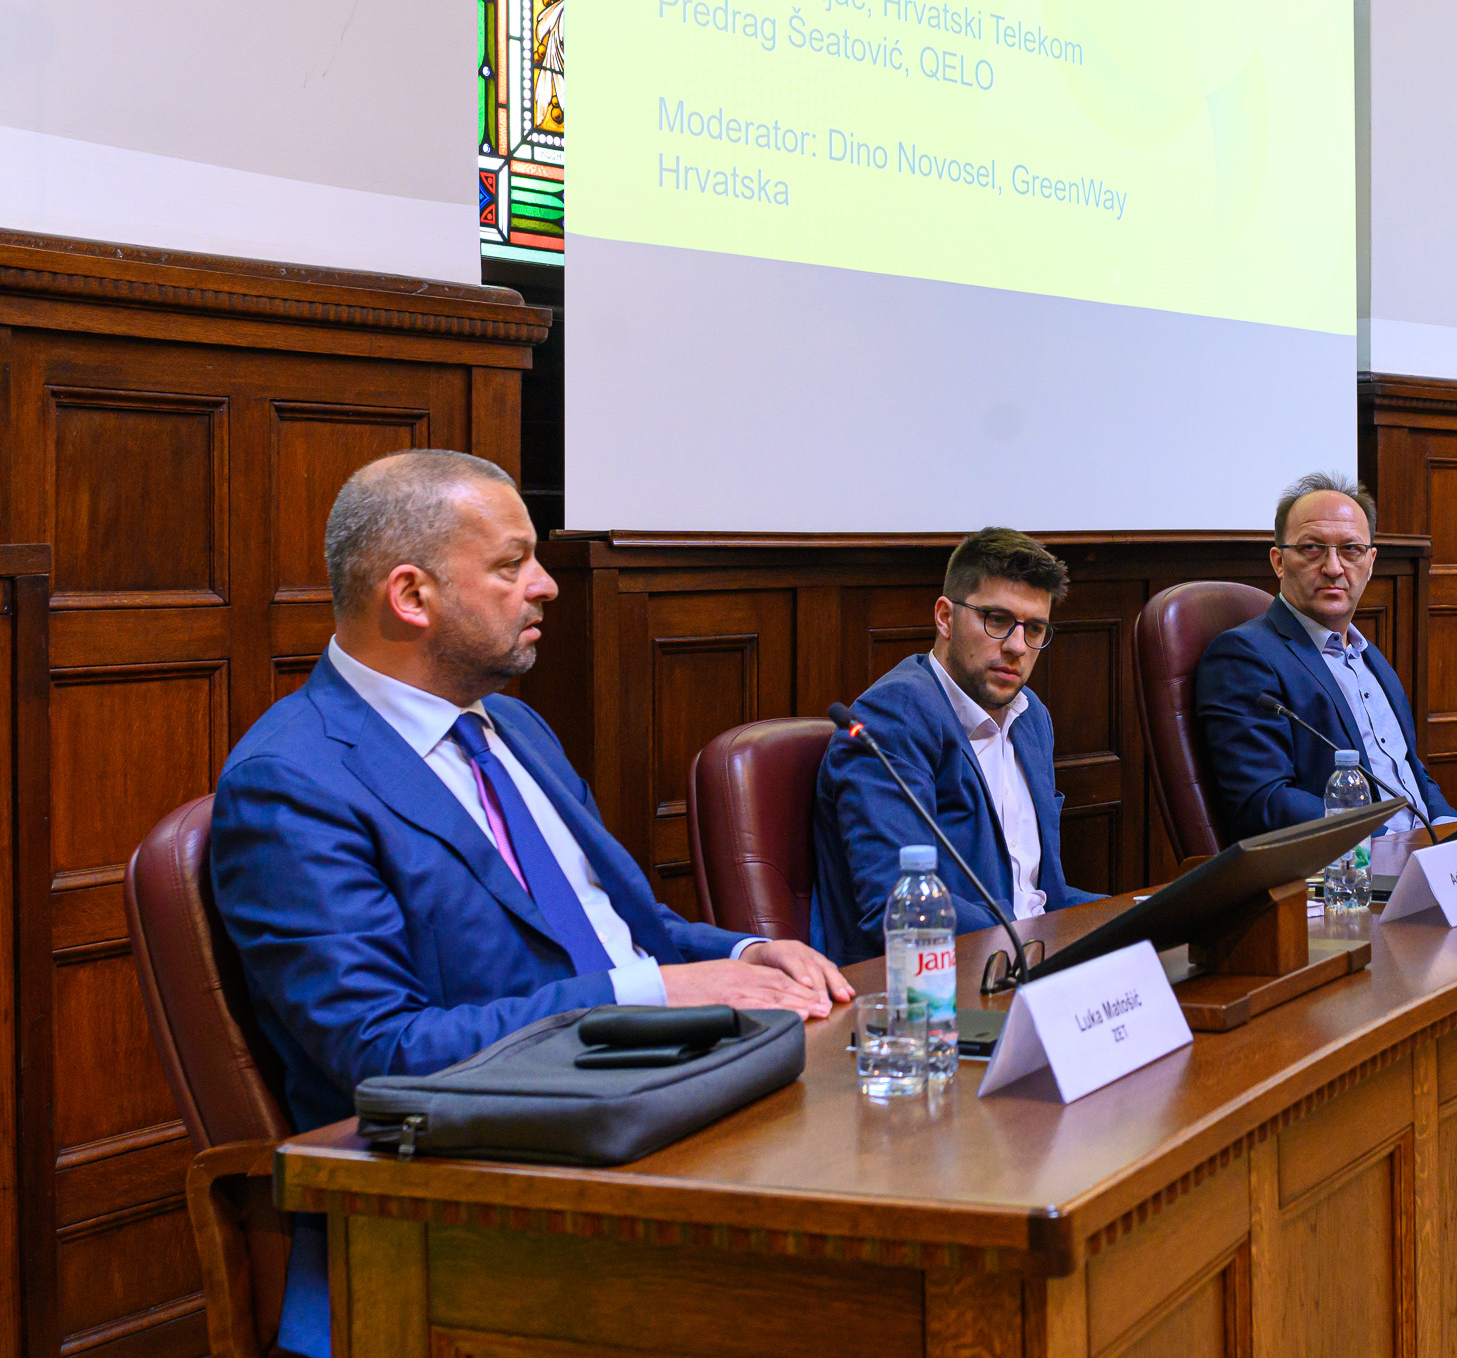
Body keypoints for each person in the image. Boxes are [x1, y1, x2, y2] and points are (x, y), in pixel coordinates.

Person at [212, 451, 849, 1358]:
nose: (547, 585)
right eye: (512, 565)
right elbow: (380, 1054)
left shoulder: (514, 727)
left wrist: (746, 955)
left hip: (643, 1114)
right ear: (410, 594)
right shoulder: (294, 783)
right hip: (475, 1203)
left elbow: (635, 933)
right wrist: (648, 997)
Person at [812, 528, 1102, 966]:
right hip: (930, 986)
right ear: (945, 618)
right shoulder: (894, 717)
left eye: (1036, 628)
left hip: (1029, 963)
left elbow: (1042, 896)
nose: (1017, 647)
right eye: (997, 620)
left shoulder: (1030, 717)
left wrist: (1140, 914)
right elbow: (899, 910)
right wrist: (1031, 946)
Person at [1196, 473, 1457, 842]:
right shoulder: (1244, 656)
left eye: (1350, 549)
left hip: (1419, 856)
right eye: (1312, 548)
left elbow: (1407, 771)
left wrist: (1455, 834)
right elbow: (1264, 801)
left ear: (1370, 563)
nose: (1334, 567)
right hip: (1345, 875)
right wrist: (1386, 841)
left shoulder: (1369, 657)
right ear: (1278, 561)